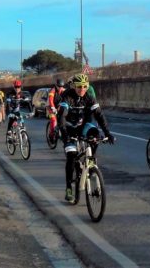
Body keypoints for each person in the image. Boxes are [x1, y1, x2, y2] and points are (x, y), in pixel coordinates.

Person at [58, 73, 114, 203]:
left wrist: (107, 133)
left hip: (84, 126)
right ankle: (68, 188)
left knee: (95, 133)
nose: (82, 89)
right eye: (79, 87)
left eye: (84, 86)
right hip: (68, 127)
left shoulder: (89, 96)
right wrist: (65, 135)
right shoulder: (67, 96)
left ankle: (90, 162)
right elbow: (61, 117)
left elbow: (99, 115)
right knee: (71, 156)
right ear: (74, 86)